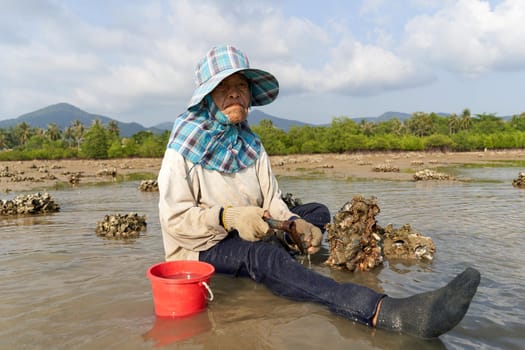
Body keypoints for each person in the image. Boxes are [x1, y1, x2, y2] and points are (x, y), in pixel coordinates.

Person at [157, 45, 481, 339]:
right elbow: (175, 221)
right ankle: (382, 312)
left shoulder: (251, 144)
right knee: (262, 256)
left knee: (318, 213)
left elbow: (272, 200)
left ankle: (287, 258)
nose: (235, 95)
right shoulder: (183, 146)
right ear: (206, 97)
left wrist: (294, 224)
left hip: (257, 230)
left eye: (241, 87)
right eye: (224, 88)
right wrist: (229, 216)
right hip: (202, 246)